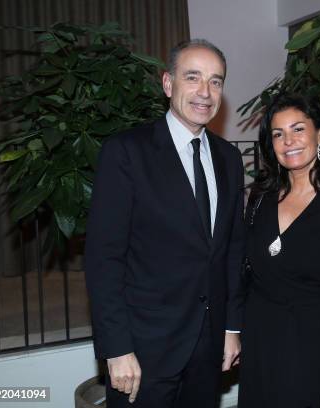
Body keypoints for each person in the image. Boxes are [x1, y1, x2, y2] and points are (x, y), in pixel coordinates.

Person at [85, 39, 245, 408]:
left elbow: (232, 250)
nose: (205, 92)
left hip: (208, 348)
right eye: (193, 78)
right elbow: (104, 258)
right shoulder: (126, 152)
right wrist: (117, 348)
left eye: (216, 81)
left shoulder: (229, 159)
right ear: (168, 84)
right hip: (143, 352)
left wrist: (231, 327)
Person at [237, 94, 320, 408]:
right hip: (260, 345)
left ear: (319, 135)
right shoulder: (260, 196)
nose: (289, 141)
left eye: (298, 129)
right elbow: (247, 273)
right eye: (278, 134)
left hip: (315, 349)